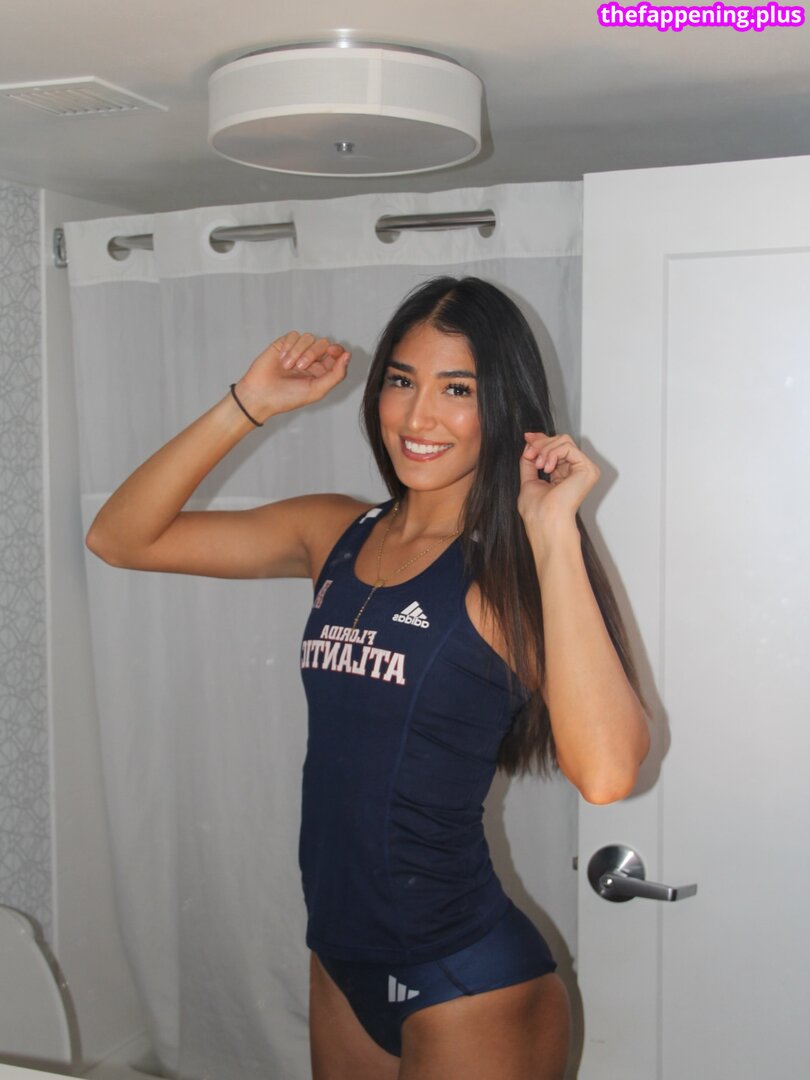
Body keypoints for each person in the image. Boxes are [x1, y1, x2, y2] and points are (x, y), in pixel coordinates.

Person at [87, 276, 649, 1080]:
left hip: (467, 977)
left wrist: (553, 529)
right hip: (339, 958)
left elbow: (608, 772)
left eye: (458, 389)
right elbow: (119, 538)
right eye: (401, 381)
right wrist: (248, 403)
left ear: (504, 407)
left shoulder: (512, 572)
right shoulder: (335, 532)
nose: (418, 418)